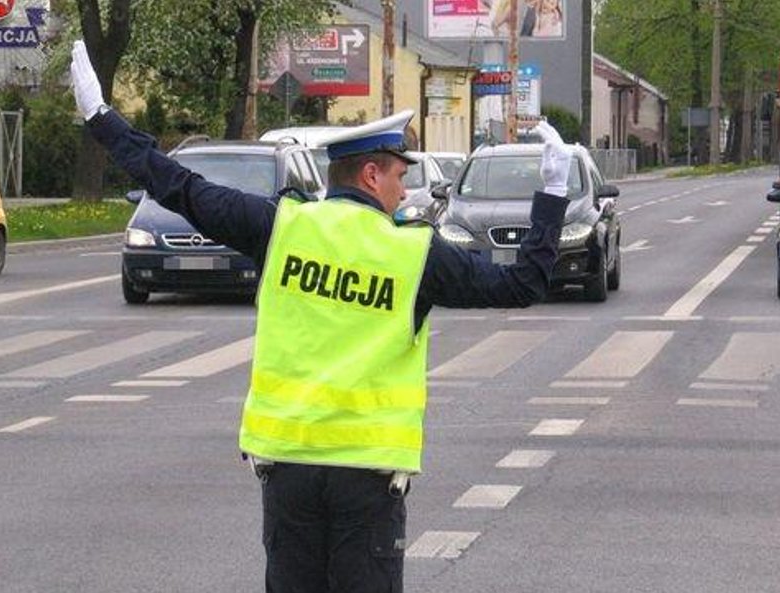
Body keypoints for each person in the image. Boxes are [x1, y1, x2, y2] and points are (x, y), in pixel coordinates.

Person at [70, 40, 570, 593]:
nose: (405, 190)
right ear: (373, 175)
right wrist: (549, 195)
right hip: (368, 477)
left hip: (288, 471)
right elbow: (524, 284)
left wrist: (101, 117)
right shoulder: (414, 254)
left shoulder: (282, 228)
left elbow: (180, 187)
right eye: (401, 176)